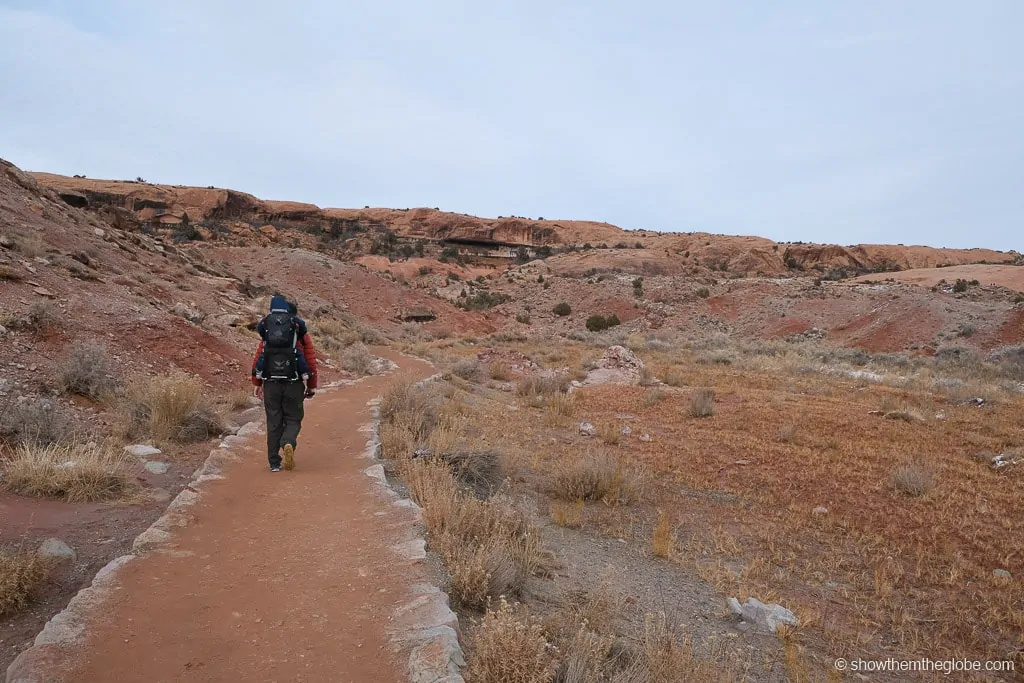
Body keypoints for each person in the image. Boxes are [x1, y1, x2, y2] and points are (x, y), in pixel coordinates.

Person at [251, 295, 318, 472]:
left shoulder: (269, 334)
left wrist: (257, 382)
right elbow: (310, 361)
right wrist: (311, 385)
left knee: (273, 421)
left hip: (271, 383)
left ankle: (274, 463)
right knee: (293, 418)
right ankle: (288, 442)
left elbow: (260, 357)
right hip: (294, 383)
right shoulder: (302, 336)